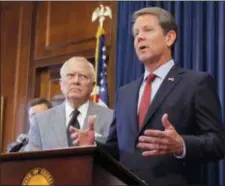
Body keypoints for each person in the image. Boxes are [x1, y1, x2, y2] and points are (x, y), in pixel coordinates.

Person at [70, 7, 225, 186]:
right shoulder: (125, 92)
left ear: (169, 37)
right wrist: (94, 146)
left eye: (147, 30)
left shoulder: (196, 83)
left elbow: (218, 143)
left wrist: (182, 144)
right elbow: (116, 148)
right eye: (136, 33)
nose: (139, 37)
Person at [24, 56, 113, 151]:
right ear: (61, 84)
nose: (76, 81)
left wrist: (95, 145)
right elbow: (32, 163)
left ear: (92, 85)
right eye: (70, 75)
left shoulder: (110, 118)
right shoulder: (40, 121)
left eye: (83, 76)